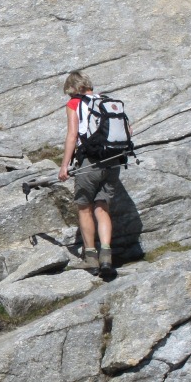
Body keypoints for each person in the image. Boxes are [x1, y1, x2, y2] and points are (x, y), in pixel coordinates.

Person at [58, 70, 123, 276]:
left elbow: (72, 135)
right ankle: (107, 256)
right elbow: (127, 131)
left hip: (90, 162)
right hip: (113, 160)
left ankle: (91, 258)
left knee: (84, 207)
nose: (70, 96)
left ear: (75, 89)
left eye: (70, 92)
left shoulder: (74, 104)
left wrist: (64, 165)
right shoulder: (108, 101)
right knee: (102, 208)